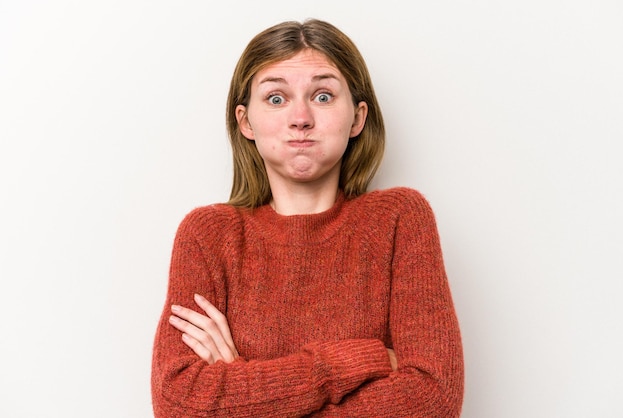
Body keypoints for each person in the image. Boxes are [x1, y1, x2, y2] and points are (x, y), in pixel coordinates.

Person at [151, 18, 464, 417]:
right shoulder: (209, 235)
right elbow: (177, 404)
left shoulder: (399, 219)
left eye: (322, 96)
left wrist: (245, 385)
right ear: (246, 122)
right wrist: (350, 363)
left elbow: (433, 399)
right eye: (276, 98)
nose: (300, 118)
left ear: (357, 118)